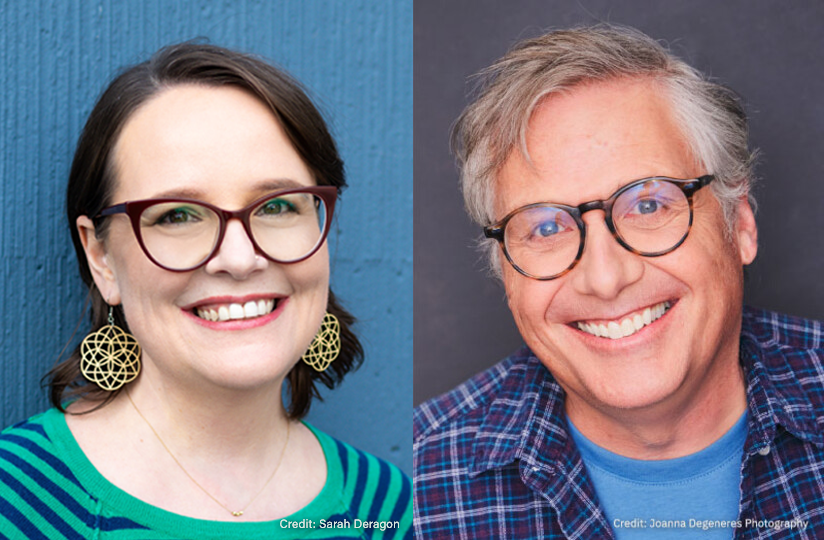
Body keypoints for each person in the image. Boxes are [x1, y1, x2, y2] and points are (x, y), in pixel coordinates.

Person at [413, 25, 824, 539]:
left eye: (648, 204)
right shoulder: (412, 489)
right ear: (504, 270)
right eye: (546, 227)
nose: (605, 279)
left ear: (739, 224)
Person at [0, 43, 411, 539]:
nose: (240, 259)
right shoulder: (15, 502)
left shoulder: (390, 510)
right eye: (177, 215)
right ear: (100, 258)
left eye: (278, 206)